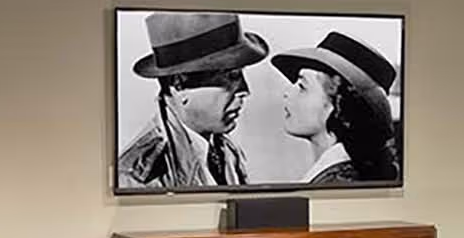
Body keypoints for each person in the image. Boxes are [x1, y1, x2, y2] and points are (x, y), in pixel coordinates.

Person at [119, 12, 268, 190]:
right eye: (231, 76)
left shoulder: (226, 151)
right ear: (179, 84)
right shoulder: (140, 175)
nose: (245, 91)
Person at [269, 31, 400, 185]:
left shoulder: (337, 182)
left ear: (339, 105)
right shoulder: (337, 174)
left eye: (302, 86)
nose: (287, 93)